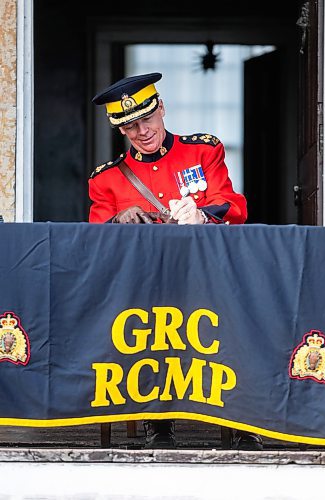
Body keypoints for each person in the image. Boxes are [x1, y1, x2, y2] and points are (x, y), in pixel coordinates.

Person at [88, 72, 263, 451]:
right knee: (143, 323)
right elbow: (94, 237)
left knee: (236, 320)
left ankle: (240, 419)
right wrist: (119, 219)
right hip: (144, 283)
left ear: (161, 108)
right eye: (130, 127)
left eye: (147, 119)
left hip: (208, 275)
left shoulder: (203, 151)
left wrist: (201, 214)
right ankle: (158, 422)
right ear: (121, 130)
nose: (142, 132)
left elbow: (235, 206)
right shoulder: (107, 180)